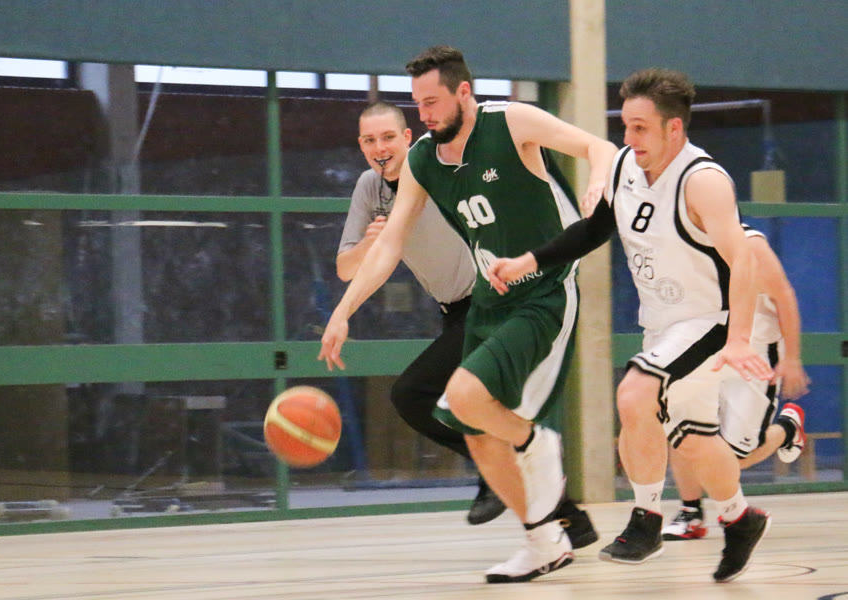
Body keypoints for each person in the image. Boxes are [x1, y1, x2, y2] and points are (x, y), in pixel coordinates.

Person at [319, 45, 615, 583]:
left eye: (432, 102)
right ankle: (544, 541)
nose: (425, 114)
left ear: (463, 92)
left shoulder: (512, 121)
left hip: (543, 291)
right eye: (418, 104)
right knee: (473, 428)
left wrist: (598, 176)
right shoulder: (423, 159)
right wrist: (343, 311)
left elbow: (598, 145)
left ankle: (534, 443)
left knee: (464, 398)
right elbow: (388, 246)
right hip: (488, 299)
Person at [486, 67, 775, 583]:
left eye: (640, 127)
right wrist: (528, 261)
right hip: (662, 325)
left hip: (710, 321)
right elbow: (592, 231)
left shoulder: (704, 181)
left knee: (635, 393)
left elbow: (744, 261)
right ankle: (739, 518)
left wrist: (737, 340)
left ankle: (646, 521)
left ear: (674, 129)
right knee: (693, 439)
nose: (628, 136)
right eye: (625, 125)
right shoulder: (624, 167)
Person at [337, 100, 504, 525]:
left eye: (388, 137)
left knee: (413, 394)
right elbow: (346, 268)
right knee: (456, 404)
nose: (380, 147)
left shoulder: (432, 167)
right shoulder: (369, 188)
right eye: (370, 140)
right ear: (361, 145)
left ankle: (500, 470)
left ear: (407, 138)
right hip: (454, 310)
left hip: (492, 300)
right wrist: (368, 245)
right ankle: (557, 509)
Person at [662, 228, 809, 540]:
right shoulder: (678, 242)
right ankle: (690, 512)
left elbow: (784, 295)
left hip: (755, 351)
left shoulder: (750, 243)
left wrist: (793, 357)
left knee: (735, 459)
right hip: (705, 348)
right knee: (682, 428)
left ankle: (787, 429)